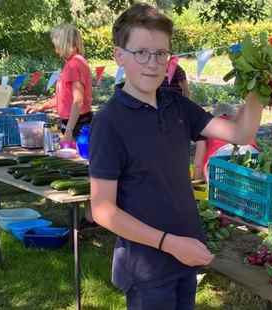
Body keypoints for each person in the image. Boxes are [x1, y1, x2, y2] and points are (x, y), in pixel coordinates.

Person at [88, 4, 263, 310]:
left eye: (161, 53)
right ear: (119, 56)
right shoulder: (109, 122)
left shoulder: (176, 105)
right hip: (148, 267)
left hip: (186, 255)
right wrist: (169, 243)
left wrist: (257, 87)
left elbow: (240, 134)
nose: (152, 63)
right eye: (142, 52)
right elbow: (103, 210)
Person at [26, 24, 93, 144]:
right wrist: (41, 106)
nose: (56, 51)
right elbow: (64, 98)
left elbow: (78, 101)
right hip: (74, 123)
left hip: (78, 125)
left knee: (76, 159)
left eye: (57, 46)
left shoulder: (74, 65)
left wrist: (69, 131)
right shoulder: (74, 62)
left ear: (65, 44)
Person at [193, 103, 258, 181]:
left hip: (221, 159)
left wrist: (195, 183)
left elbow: (198, 164)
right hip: (251, 154)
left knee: (223, 187)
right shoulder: (242, 126)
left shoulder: (206, 126)